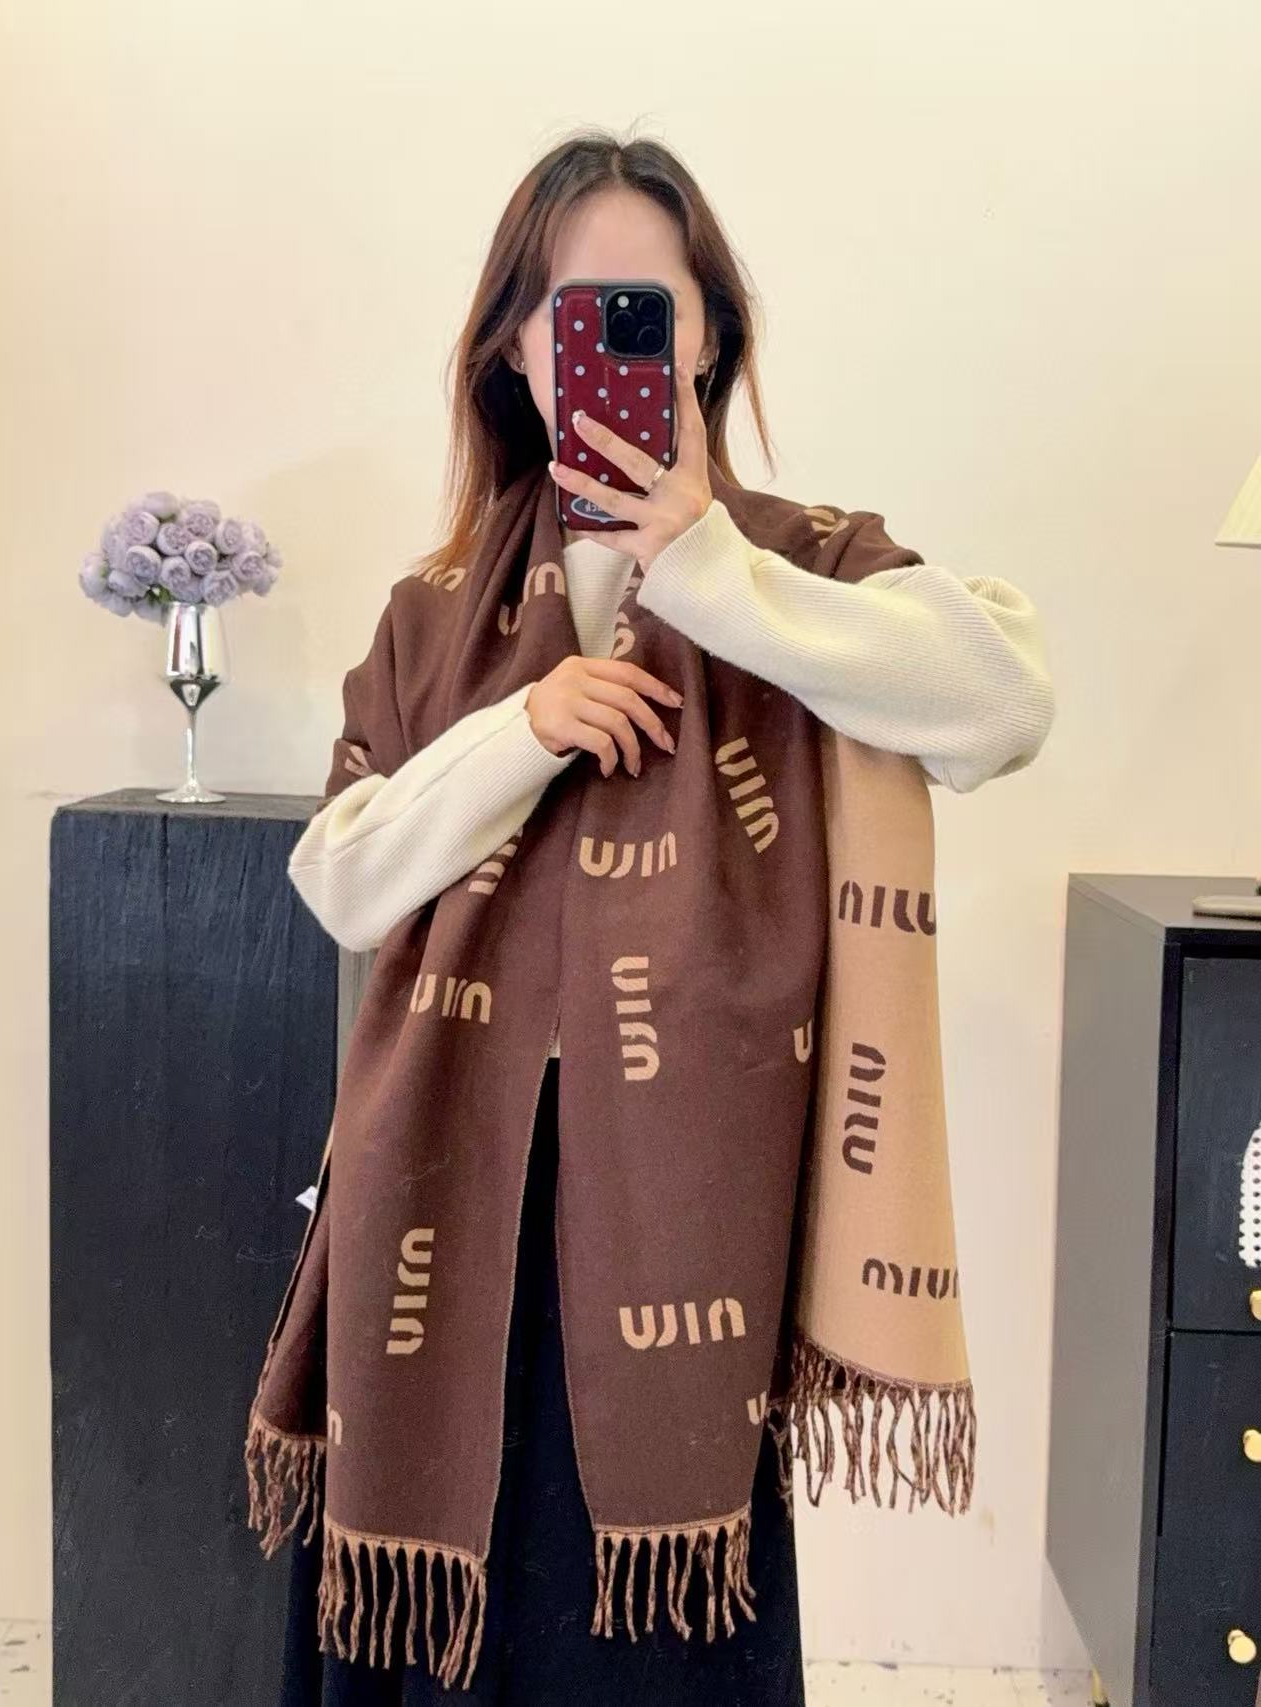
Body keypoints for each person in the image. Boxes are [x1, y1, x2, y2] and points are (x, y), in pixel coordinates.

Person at [274, 128, 1055, 1707]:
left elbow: (1000, 706)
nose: (611, 343)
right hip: (456, 1184)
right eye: (572, 312)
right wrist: (527, 727)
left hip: (690, 1200)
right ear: (515, 350)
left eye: (649, 306)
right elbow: (339, 878)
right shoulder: (437, 616)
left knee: (647, 1631)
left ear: (706, 338)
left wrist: (702, 569)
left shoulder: (807, 568)